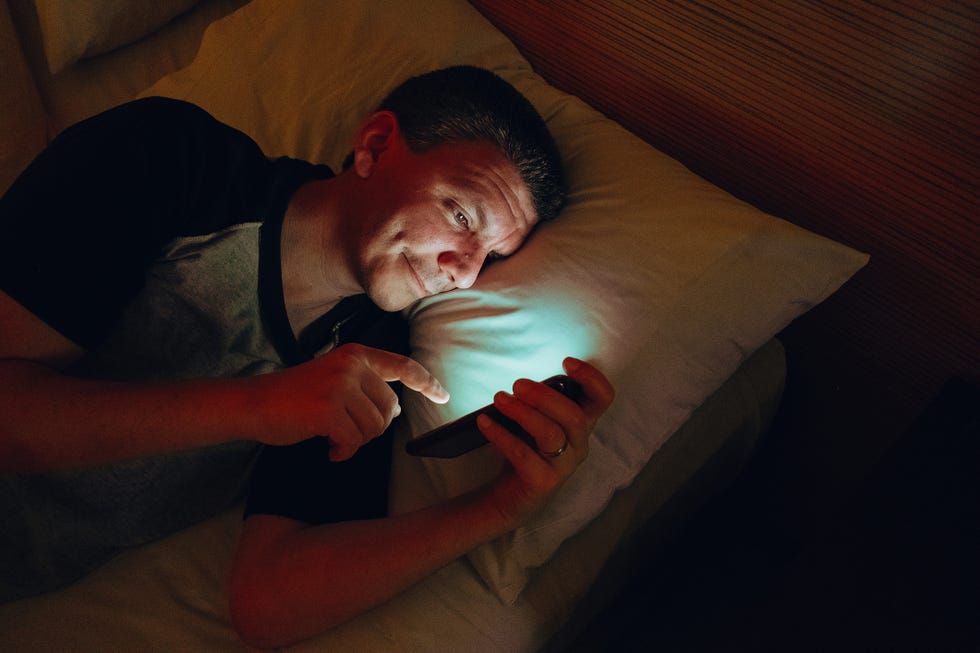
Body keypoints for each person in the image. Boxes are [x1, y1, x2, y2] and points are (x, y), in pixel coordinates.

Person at [0, 66, 614, 644]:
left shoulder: (373, 354)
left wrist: (501, 506)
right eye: (460, 215)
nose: (464, 273)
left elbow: (268, 602)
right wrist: (258, 405)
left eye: (491, 258)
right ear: (374, 144)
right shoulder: (170, 158)